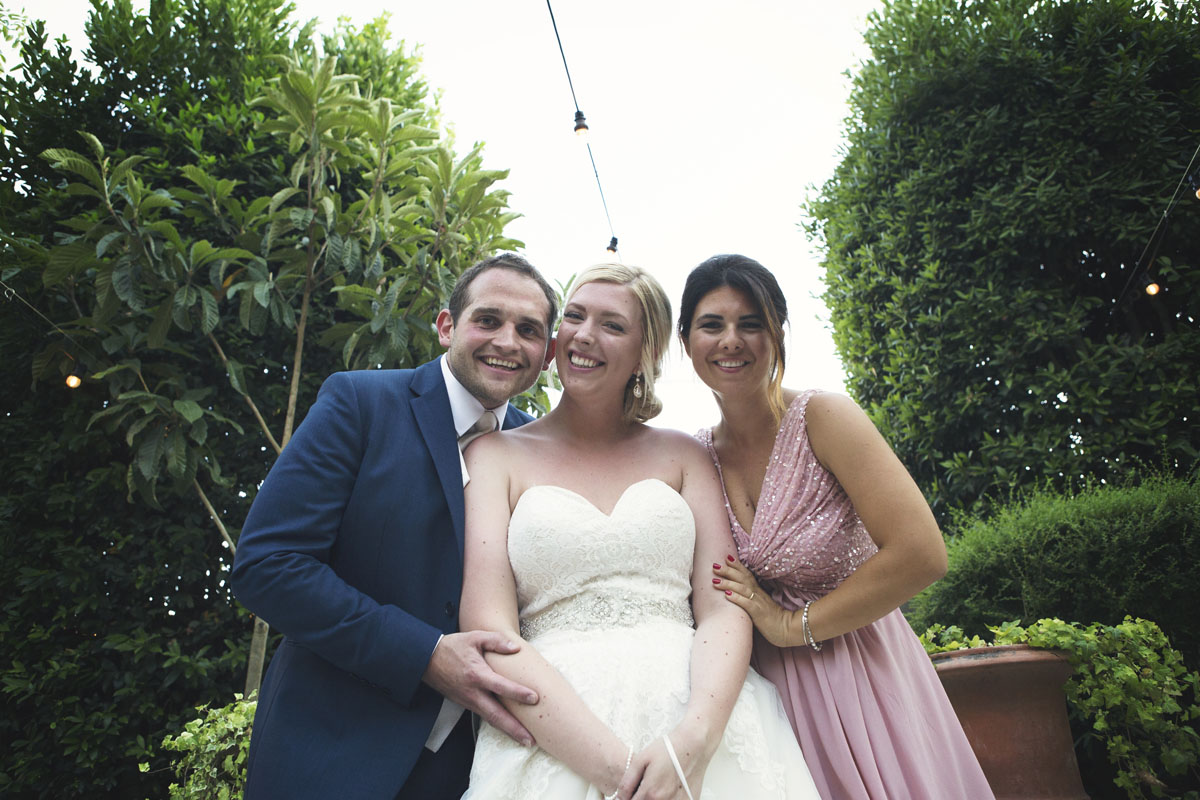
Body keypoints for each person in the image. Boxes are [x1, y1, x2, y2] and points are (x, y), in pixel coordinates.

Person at [459, 263, 820, 800]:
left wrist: (693, 741)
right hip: (556, 725)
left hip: (700, 714)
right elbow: (491, 631)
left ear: (644, 354)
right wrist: (618, 773)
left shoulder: (685, 455)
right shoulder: (493, 456)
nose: (584, 334)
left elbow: (722, 607)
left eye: (612, 325)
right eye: (575, 316)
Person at [231, 253, 558, 799]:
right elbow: (268, 565)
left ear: (547, 354)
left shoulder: (545, 451)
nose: (507, 340)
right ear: (446, 326)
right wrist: (424, 654)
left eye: (528, 330)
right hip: (332, 754)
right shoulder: (360, 403)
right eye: (488, 319)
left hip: (480, 770)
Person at [682, 254, 995, 799]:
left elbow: (922, 552)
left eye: (750, 323)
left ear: (778, 334)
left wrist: (789, 626)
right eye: (712, 324)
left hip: (862, 677)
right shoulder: (695, 457)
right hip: (764, 697)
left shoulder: (823, 418)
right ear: (686, 340)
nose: (730, 340)